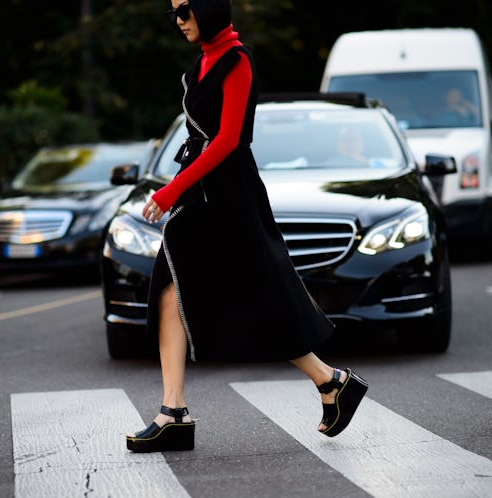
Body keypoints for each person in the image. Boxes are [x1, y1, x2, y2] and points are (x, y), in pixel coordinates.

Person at [126, 0, 368, 453]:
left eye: (185, 10)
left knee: (262, 292)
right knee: (168, 287)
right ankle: (173, 410)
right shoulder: (200, 63)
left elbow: (229, 140)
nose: (178, 20)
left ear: (210, 8)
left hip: (229, 194)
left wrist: (171, 189)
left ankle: (331, 380)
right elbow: (202, 139)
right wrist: (180, 186)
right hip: (202, 191)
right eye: (173, 12)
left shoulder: (237, 60)